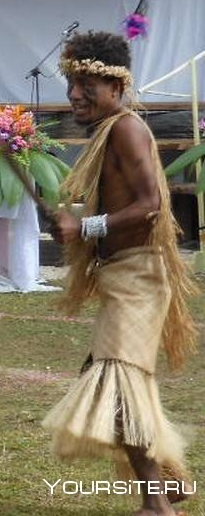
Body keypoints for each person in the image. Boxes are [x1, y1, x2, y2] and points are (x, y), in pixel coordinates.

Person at [42, 31, 198, 514]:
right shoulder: (111, 131)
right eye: (72, 83)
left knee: (119, 382)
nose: (75, 94)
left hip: (139, 277)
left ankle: (156, 504)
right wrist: (73, 223)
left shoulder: (127, 128)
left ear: (117, 86)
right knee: (110, 382)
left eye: (88, 83)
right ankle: (170, 482)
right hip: (122, 273)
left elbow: (150, 206)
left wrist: (83, 224)